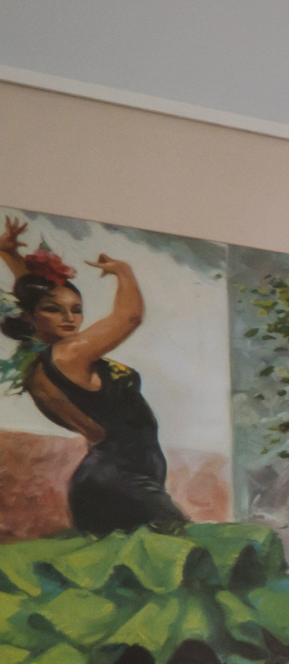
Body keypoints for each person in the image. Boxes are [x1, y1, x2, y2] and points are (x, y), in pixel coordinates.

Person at [0, 216, 188, 535]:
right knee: (186, 554)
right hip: (119, 479)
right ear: (30, 316)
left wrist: (11, 258)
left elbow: (32, 299)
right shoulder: (69, 353)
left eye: (76, 308)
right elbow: (129, 316)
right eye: (54, 310)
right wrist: (123, 270)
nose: (70, 318)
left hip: (114, 478)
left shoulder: (41, 354)